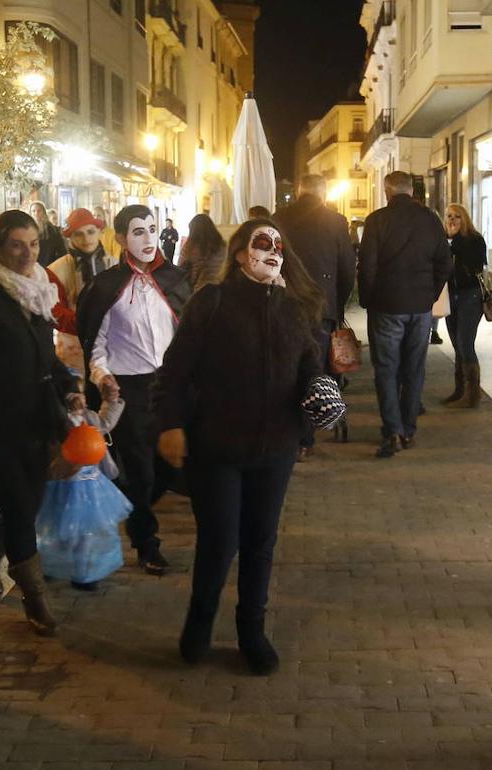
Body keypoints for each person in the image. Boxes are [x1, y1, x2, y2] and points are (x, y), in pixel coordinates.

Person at [153, 218, 323, 675]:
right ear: (242, 254)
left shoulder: (295, 307)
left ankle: (251, 631)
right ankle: (199, 624)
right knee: (219, 540)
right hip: (217, 445)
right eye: (261, 243)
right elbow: (176, 370)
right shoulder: (212, 301)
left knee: (260, 541)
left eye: (278, 245)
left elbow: (309, 365)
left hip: (276, 447)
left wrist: (318, 399)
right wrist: (171, 424)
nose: (271, 251)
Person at [0, 210, 83, 636]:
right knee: (17, 503)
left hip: (36, 416)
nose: (27, 253)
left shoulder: (36, 291)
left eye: (33, 244)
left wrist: (69, 385)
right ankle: (34, 599)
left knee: (28, 503)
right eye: (17, 244)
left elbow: (44, 354)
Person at [76, 204, 192, 575]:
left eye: (152, 229)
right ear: (122, 238)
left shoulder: (176, 281)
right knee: (140, 470)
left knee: (169, 468)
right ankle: (146, 543)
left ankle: (128, 507)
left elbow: (190, 337)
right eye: (138, 231)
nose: (147, 238)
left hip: (168, 386)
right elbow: (95, 345)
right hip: (127, 391)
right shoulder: (106, 287)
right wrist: (102, 376)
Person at [357, 170, 452, 458]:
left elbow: (367, 265)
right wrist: (430, 294)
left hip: (386, 305)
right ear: (411, 191)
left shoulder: (377, 220)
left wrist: (367, 299)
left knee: (386, 369)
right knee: (414, 369)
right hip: (420, 307)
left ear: (387, 191)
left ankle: (393, 430)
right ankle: (409, 429)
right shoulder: (430, 219)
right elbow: (444, 262)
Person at [273, 174, 357, 458]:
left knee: (289, 369)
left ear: (299, 191)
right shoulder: (335, 221)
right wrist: (338, 303)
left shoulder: (279, 218)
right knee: (317, 369)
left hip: (286, 304)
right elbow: (347, 269)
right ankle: (309, 434)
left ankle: (294, 434)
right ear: (323, 194)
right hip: (323, 307)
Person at [37, 395, 131, 590]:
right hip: (63, 487)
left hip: (90, 487)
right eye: (74, 397)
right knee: (58, 531)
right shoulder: (56, 423)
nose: (80, 402)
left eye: (81, 396)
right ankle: (52, 566)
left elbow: (106, 423)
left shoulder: (89, 418)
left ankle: (83, 574)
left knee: (86, 534)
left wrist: (112, 401)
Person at [48, 208, 119, 373]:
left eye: (90, 232)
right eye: (78, 234)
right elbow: (54, 312)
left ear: (100, 232)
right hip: (73, 352)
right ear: (70, 238)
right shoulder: (56, 270)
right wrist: (85, 324)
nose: (86, 238)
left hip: (113, 350)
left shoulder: (116, 265)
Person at [442, 203, 488, 408]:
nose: (452, 220)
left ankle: (473, 395)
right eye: (449, 216)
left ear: (465, 219)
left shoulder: (474, 239)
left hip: (470, 295)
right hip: (450, 295)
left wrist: (455, 241)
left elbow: (476, 264)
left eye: (457, 216)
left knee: (464, 341)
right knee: (456, 344)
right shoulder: (444, 241)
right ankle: (459, 390)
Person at [179, 213, 227, 291]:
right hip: (220, 289)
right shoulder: (222, 246)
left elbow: (180, 269)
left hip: (197, 291)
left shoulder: (190, 247)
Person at [29, 200, 68, 266]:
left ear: (43, 212)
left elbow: (62, 251)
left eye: (39, 211)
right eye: (33, 211)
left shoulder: (53, 230)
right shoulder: (27, 230)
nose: (36, 213)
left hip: (50, 266)